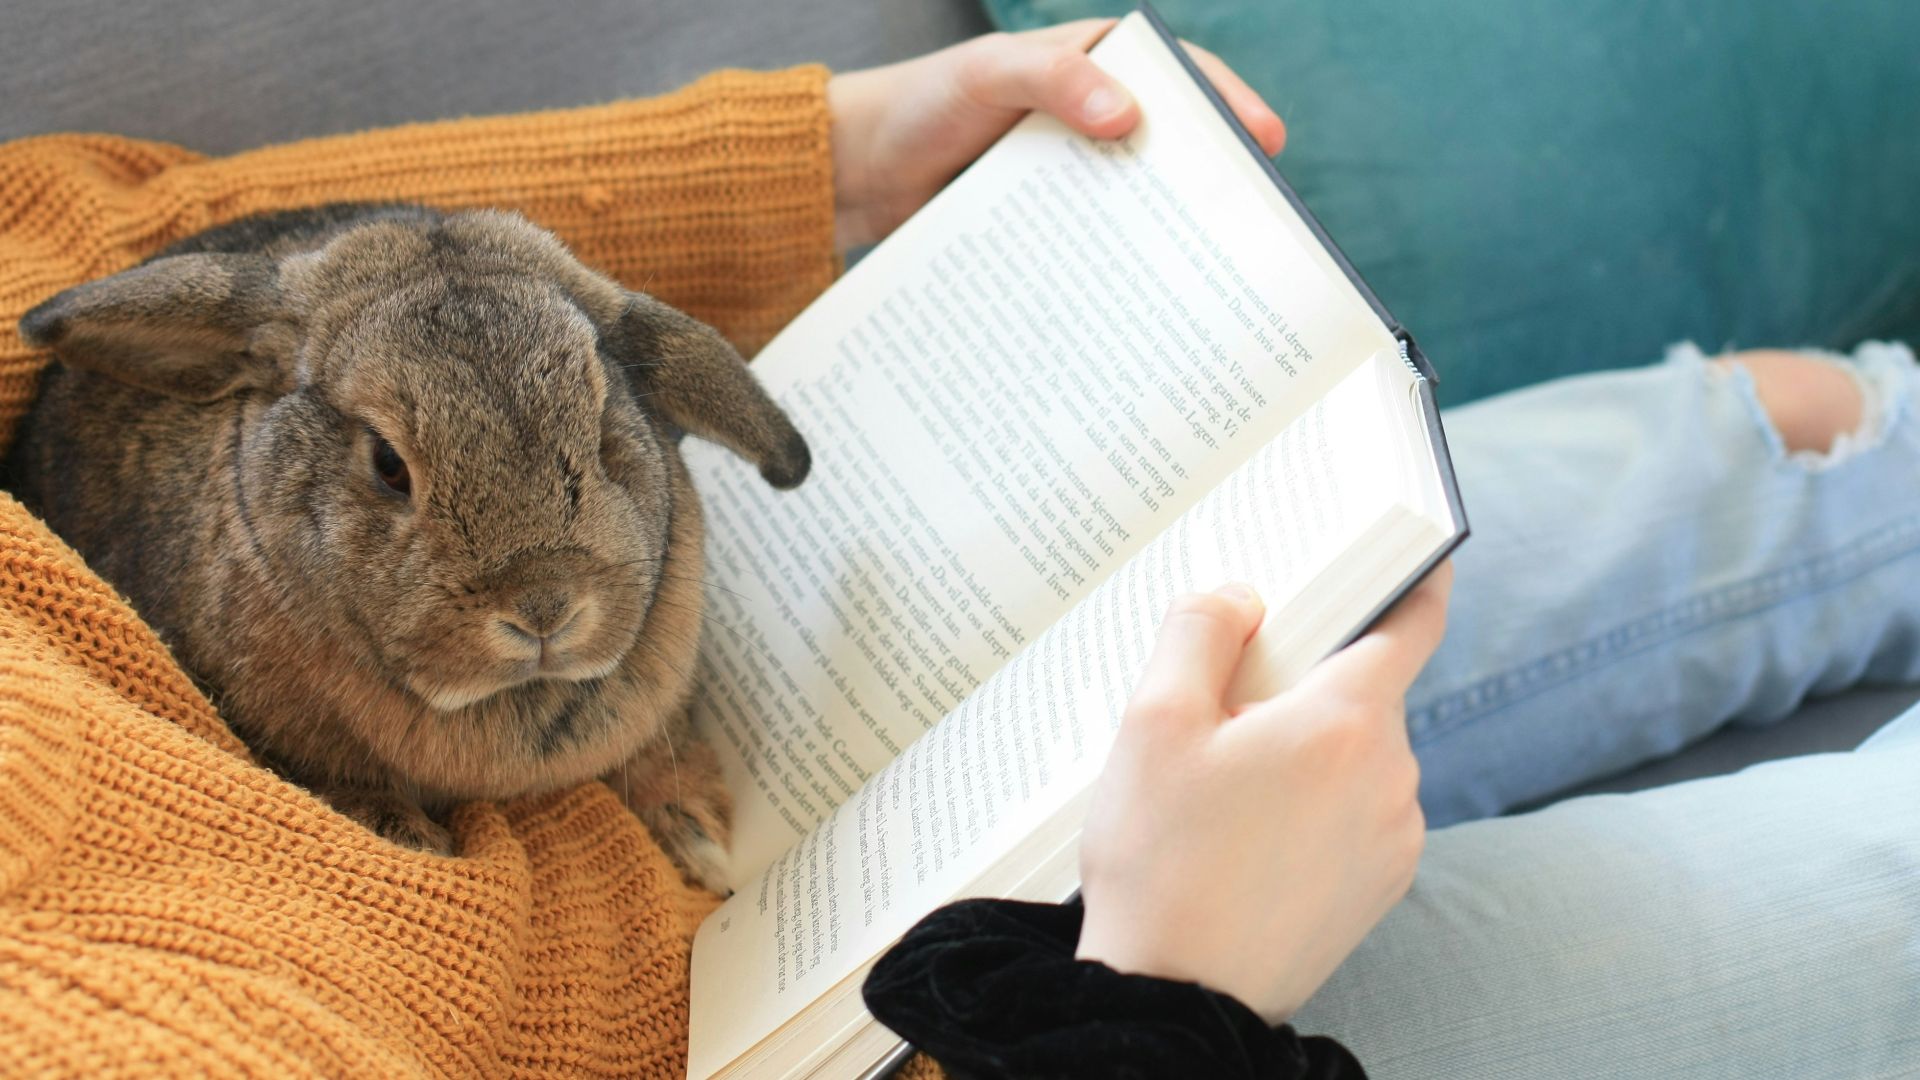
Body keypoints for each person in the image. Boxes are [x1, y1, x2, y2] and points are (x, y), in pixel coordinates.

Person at [0, 17, 1913, 1078]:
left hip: (782, 717)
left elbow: (61, 247)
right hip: (935, 1039)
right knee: (1875, 882)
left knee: (1758, 449)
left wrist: (825, 158)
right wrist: (1146, 1012)